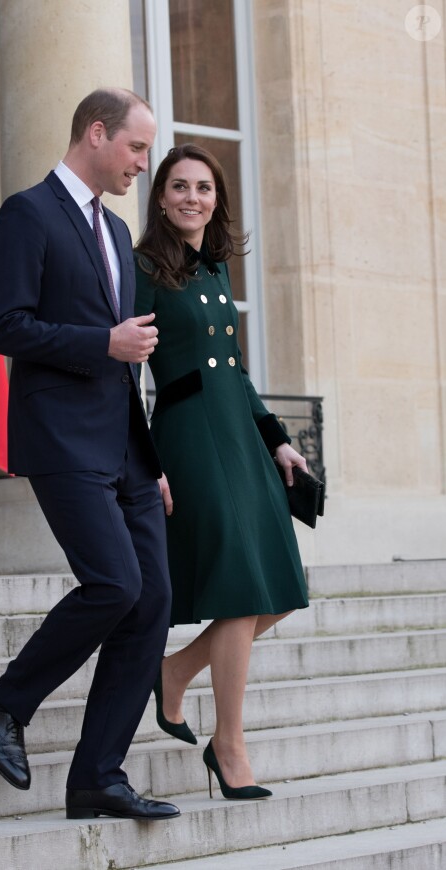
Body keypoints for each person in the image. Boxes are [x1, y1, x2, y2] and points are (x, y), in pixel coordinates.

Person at [0, 88, 180, 822]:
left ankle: (97, 777)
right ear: (97, 134)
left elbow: (125, 363)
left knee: (154, 597)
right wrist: (103, 342)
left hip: (122, 448)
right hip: (59, 438)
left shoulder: (118, 233)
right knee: (115, 584)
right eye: (135, 148)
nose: (142, 164)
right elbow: (2, 326)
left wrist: (149, 464)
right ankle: (4, 702)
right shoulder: (28, 213)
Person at [134, 143, 310, 801]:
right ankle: (228, 745)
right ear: (160, 197)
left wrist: (279, 442)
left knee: (282, 588)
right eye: (178, 186)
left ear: (217, 198)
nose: (192, 198)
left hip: (238, 435)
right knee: (240, 586)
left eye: (203, 188)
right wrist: (143, 461)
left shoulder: (213, 269)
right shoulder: (142, 266)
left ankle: (174, 671)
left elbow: (234, 371)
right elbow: (124, 372)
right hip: (187, 438)